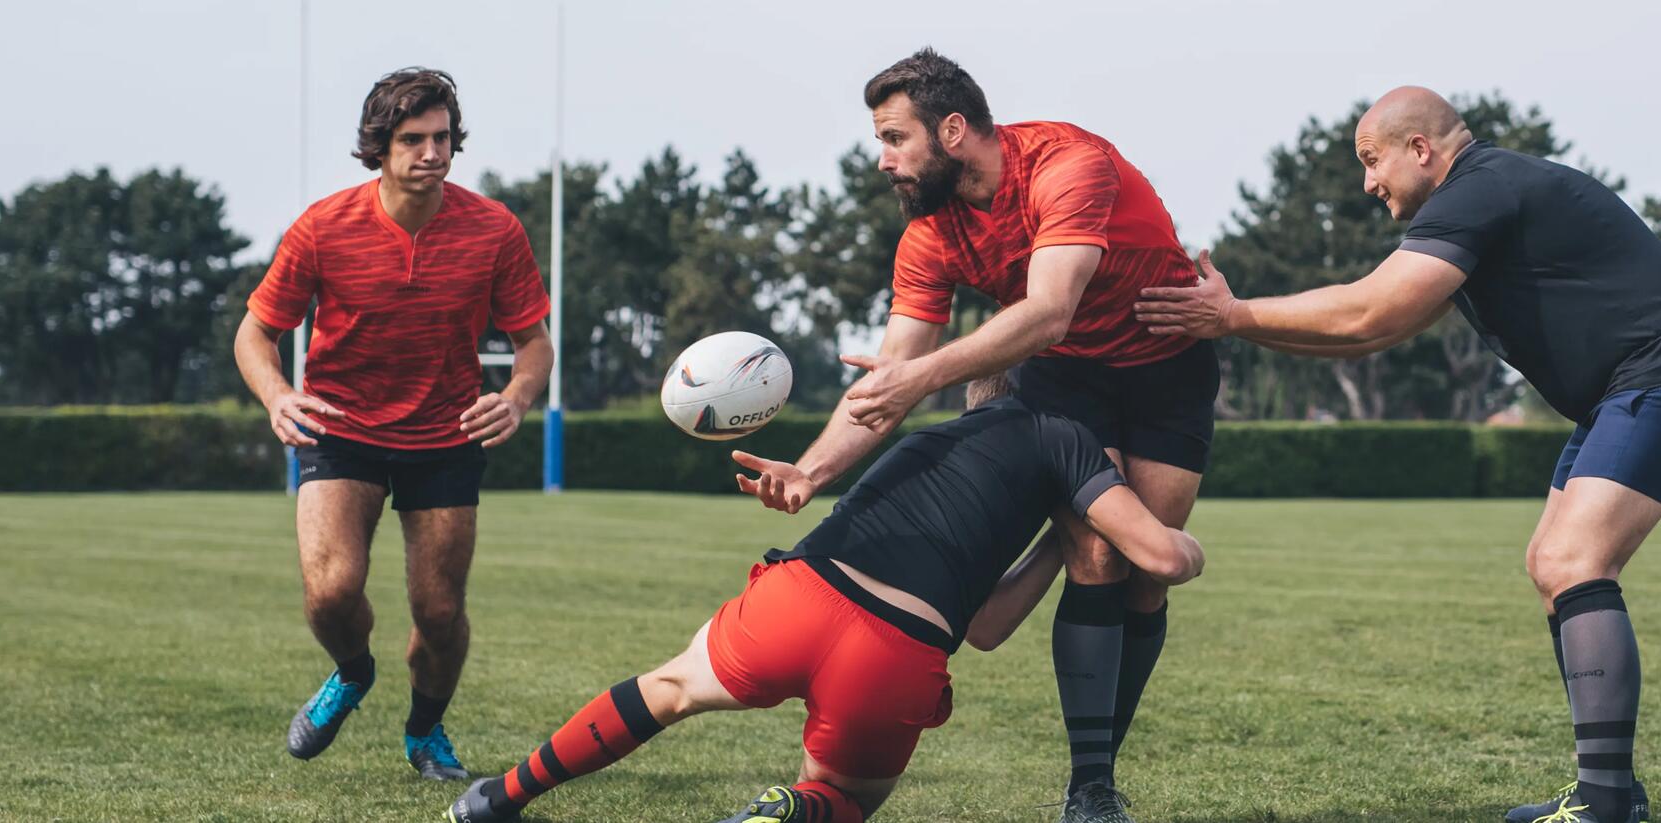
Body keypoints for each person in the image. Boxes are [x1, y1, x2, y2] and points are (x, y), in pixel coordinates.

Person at [1134, 86, 1661, 823]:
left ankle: (1607, 802)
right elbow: (1376, 330)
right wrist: (1231, 325)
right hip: (1632, 382)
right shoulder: (1485, 196)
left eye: (1372, 160)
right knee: (1551, 561)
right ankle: (1604, 787)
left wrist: (1231, 314)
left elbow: (1369, 310)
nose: (1367, 183)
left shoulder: (1476, 189)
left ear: (1421, 149)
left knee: (1573, 562)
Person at [732, 48, 1219, 822]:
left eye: (895, 138)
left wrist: (919, 378)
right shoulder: (929, 235)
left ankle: (1096, 771)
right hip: (1065, 376)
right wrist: (812, 470)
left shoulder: (1069, 165)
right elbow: (892, 374)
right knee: (1098, 551)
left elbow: (1048, 307)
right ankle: (1091, 790)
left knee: (1146, 569)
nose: (883, 159)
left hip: (1169, 367)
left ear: (952, 130)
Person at [443, 374, 1204, 823]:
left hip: (802, 594)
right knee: (844, 797)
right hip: (896, 651)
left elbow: (986, 625)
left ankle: (497, 798)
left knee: (669, 687)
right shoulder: (1063, 438)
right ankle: (791, 807)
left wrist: (1058, 532)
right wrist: (1095, 530)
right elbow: (1159, 558)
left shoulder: (930, 437)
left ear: (978, 388)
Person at [234, 67, 553, 780]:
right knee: (332, 590)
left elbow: (535, 342)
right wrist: (279, 396)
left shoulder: (494, 229)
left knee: (439, 613)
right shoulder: (322, 226)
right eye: (413, 139)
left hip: (446, 436)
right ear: (378, 146)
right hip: (339, 428)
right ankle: (351, 671)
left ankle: (425, 731)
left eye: (442, 137)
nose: (432, 152)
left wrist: (518, 397)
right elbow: (254, 334)